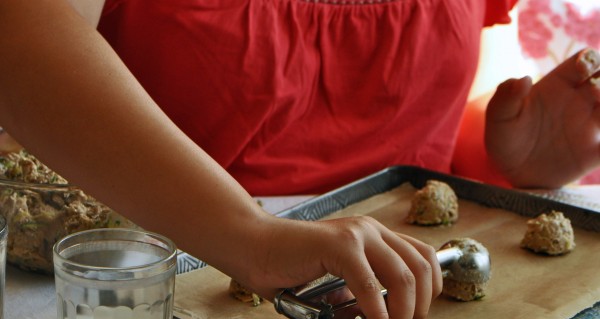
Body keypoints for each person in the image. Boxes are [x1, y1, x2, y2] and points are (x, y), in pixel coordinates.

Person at [0, 0, 443, 319]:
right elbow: (16, 36)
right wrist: (256, 240)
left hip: (424, 260)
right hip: (170, 272)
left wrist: (507, 151)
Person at [94, 0, 600, 195]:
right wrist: (250, 240)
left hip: (406, 302)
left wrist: (505, 158)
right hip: (160, 290)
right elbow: (21, 54)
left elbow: (437, 115)